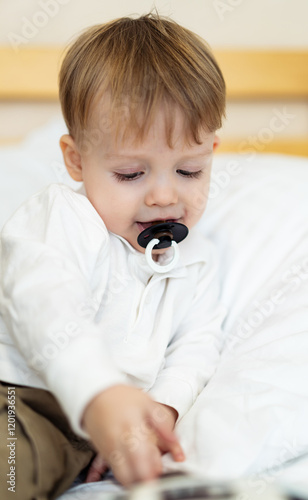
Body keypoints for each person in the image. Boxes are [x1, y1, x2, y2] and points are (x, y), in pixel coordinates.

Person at [0, 12, 226, 500]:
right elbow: (46, 303)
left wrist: (161, 409)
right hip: (22, 401)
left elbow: (197, 348)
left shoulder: (198, 259)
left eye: (189, 171)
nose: (165, 197)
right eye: (130, 174)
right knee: (11, 473)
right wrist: (101, 395)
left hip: (102, 431)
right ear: (77, 160)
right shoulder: (63, 217)